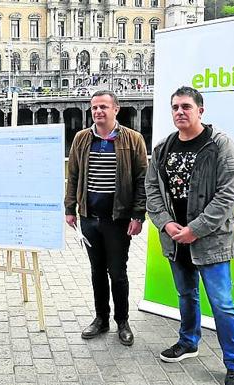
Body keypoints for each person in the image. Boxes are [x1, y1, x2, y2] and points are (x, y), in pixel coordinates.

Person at [145, 86, 234, 385]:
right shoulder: (163, 148)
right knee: (186, 295)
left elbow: (228, 196)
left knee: (222, 304)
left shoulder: (221, 146)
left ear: (200, 110)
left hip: (211, 241)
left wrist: (195, 229)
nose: (179, 112)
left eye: (186, 106)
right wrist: (166, 224)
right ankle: (188, 342)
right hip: (176, 241)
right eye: (175, 107)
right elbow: (151, 190)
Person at [65, 90, 148, 346]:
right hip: (89, 217)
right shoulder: (81, 138)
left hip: (118, 219)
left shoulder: (133, 139)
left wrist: (138, 214)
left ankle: (122, 321)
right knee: (97, 271)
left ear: (116, 109)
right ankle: (101, 319)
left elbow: (141, 180)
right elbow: (74, 175)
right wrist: (70, 208)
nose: (98, 111)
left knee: (118, 271)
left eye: (103, 107)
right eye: (94, 108)